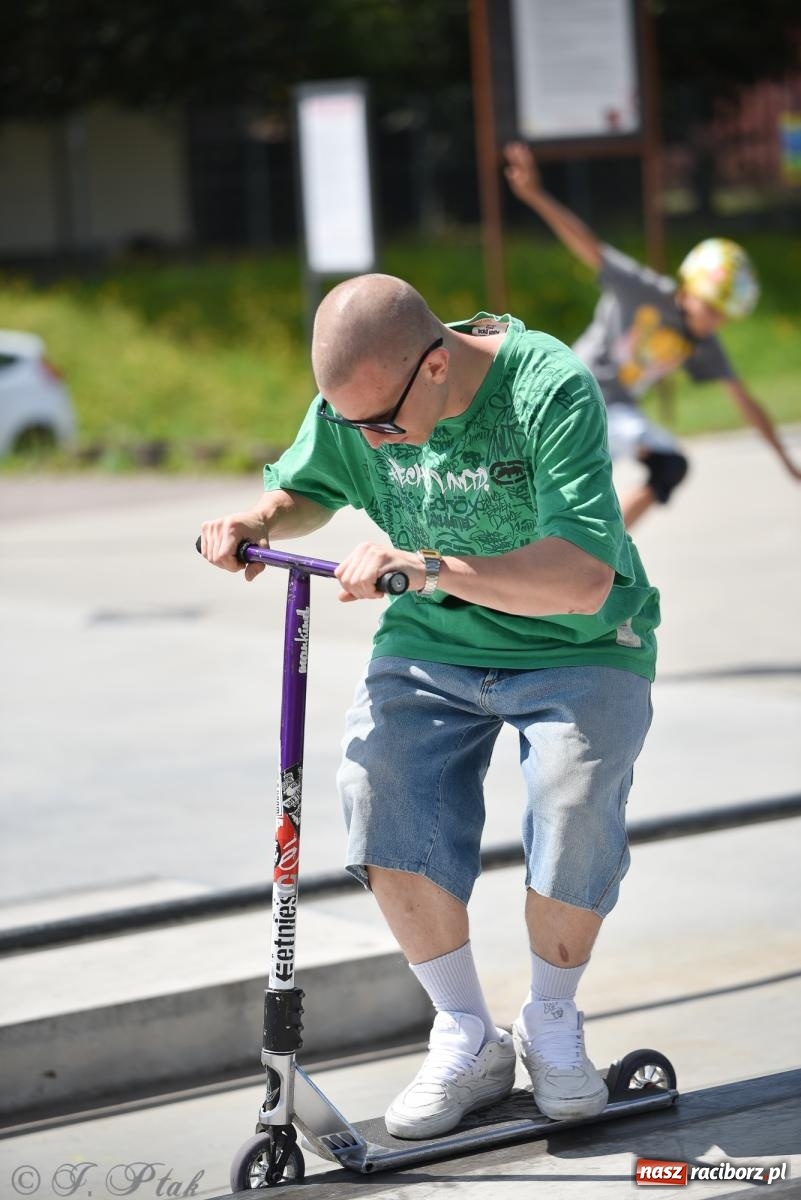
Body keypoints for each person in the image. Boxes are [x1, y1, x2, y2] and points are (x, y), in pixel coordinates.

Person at [200, 273, 660, 1138]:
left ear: (438, 365)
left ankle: (550, 1019)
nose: (370, 440)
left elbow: (581, 579)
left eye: (380, 425)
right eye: (353, 425)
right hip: (433, 638)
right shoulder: (364, 398)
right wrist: (260, 518)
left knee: (572, 797)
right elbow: (308, 486)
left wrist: (429, 566)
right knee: (378, 784)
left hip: (579, 641)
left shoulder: (546, 387)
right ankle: (466, 1034)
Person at [503, 140, 801, 527]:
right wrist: (535, 195)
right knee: (536, 486)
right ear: (689, 288)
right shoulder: (644, 291)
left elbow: (745, 402)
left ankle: (602, 545)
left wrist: (786, 461)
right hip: (570, 390)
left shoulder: (702, 342)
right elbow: (589, 247)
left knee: (670, 465)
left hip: (614, 409)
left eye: (723, 317)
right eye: (710, 308)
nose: (712, 322)